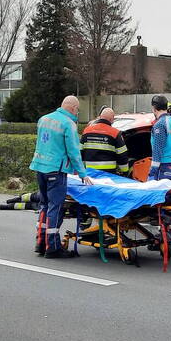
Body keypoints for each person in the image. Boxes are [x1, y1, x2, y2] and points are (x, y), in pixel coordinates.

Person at [30, 95, 93, 258]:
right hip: (56, 171)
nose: (77, 112)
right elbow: (73, 151)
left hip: (40, 167)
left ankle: (41, 242)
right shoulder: (68, 124)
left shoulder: (43, 119)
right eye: (77, 109)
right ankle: (53, 247)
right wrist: (82, 173)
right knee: (55, 208)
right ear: (73, 108)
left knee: (44, 206)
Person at [81, 107, 129, 175]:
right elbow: (122, 155)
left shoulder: (86, 131)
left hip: (90, 173)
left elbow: (80, 151)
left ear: (100, 117)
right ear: (112, 120)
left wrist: (82, 169)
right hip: (108, 174)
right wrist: (125, 172)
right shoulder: (115, 133)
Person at [148, 95, 171, 181]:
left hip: (163, 166)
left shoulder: (160, 124)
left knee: (161, 193)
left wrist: (153, 171)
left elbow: (158, 149)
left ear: (154, 108)